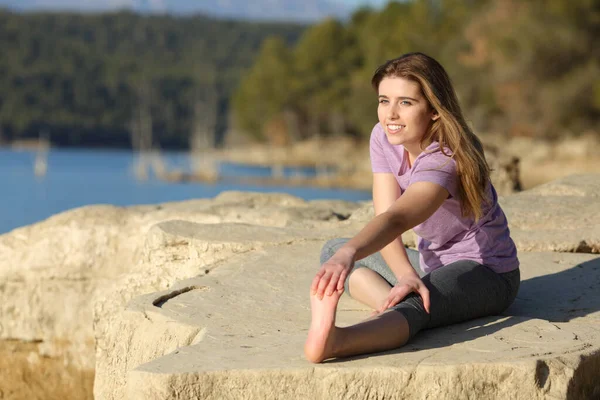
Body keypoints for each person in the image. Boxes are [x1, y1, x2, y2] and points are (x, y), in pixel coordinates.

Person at [304, 52, 520, 364]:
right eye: (383, 100)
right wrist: (404, 273)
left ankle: (338, 341)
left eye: (405, 102)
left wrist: (351, 252)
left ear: (433, 109)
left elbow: (399, 217)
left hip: (486, 273)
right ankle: (394, 304)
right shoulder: (383, 137)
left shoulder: (446, 156)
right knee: (332, 251)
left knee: (416, 303)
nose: (390, 114)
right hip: (433, 264)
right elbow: (384, 212)